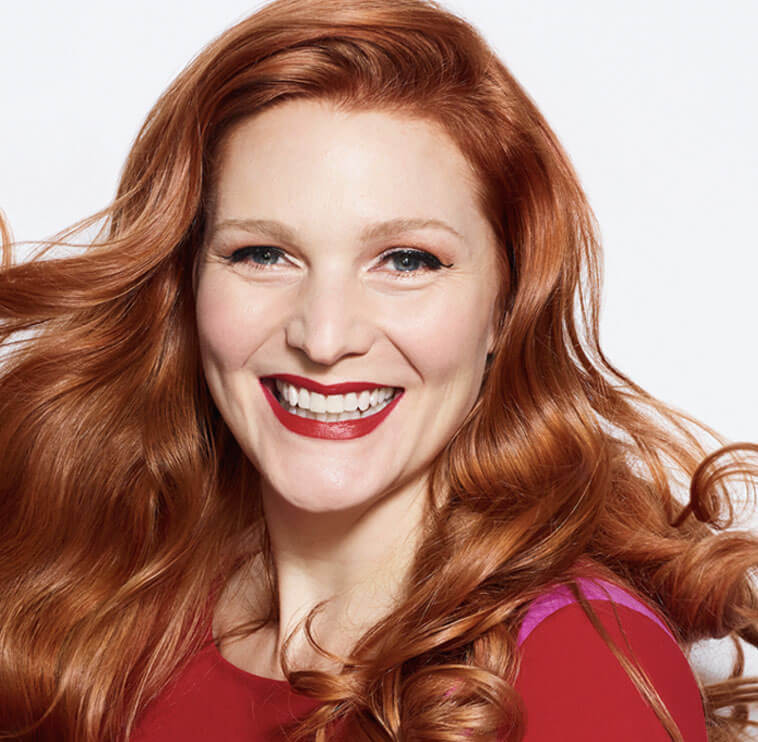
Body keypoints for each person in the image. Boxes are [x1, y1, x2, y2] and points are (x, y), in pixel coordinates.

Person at [0, 0, 757, 740]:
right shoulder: (99, 613)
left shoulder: (581, 671)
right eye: (263, 254)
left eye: (407, 261)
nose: (324, 337)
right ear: (186, 285)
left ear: (507, 304)